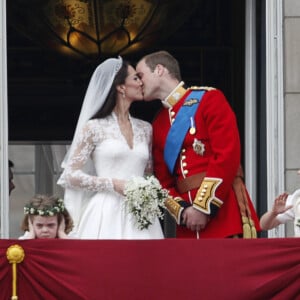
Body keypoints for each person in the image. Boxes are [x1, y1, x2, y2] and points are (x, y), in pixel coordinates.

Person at [136, 50, 260, 238]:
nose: (138, 82)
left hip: (224, 215)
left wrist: (204, 207)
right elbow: (162, 181)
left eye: (140, 75)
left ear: (159, 70)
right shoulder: (158, 123)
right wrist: (183, 210)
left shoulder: (209, 99)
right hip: (187, 225)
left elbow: (227, 156)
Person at [57, 57, 164, 239]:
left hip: (141, 214)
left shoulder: (145, 128)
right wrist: (113, 184)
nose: (141, 83)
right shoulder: (94, 127)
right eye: (135, 78)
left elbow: (148, 173)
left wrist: (148, 192)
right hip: (105, 212)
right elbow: (70, 175)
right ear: (121, 87)